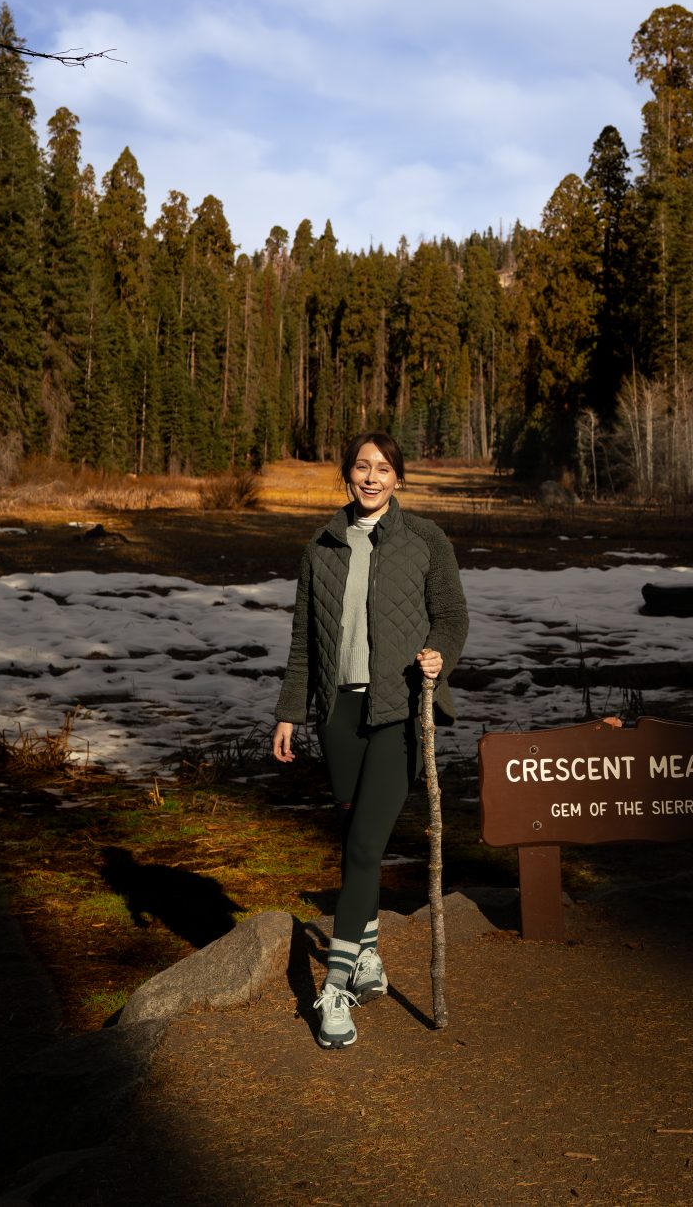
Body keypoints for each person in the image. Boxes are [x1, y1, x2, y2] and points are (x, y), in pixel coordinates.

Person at [271, 432, 468, 1049]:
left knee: (361, 846)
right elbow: (307, 638)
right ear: (347, 476)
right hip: (338, 715)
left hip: (402, 711)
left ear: (399, 479)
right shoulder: (323, 546)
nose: (372, 477)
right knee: (360, 840)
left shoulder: (425, 539)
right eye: (362, 467)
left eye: (384, 468)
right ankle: (369, 957)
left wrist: (441, 656)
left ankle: (333, 988)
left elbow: (452, 616)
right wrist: (289, 712)